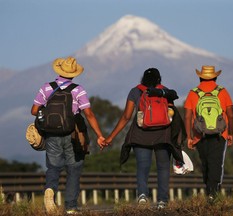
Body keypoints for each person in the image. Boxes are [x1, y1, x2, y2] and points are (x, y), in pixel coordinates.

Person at [31, 56, 106, 214]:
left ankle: (50, 190)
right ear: (74, 73)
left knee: (53, 167)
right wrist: (99, 135)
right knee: (74, 168)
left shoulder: (46, 87)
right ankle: (71, 207)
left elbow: (34, 111)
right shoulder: (78, 90)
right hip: (73, 134)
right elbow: (89, 114)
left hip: (51, 133)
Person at [105, 68, 184, 209]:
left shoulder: (135, 91)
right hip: (162, 134)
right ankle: (162, 201)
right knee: (163, 167)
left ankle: (142, 196)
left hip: (140, 134)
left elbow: (126, 117)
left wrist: (110, 137)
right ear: (159, 79)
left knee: (142, 167)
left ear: (142, 79)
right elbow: (171, 114)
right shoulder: (165, 91)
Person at [184, 65, 233, 202]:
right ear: (216, 77)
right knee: (217, 163)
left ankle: (210, 191)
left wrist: (189, 137)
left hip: (200, 136)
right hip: (220, 135)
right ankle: (213, 193)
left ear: (200, 77)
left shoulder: (193, 93)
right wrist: (230, 133)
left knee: (205, 163)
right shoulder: (222, 92)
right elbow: (230, 115)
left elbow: (188, 117)